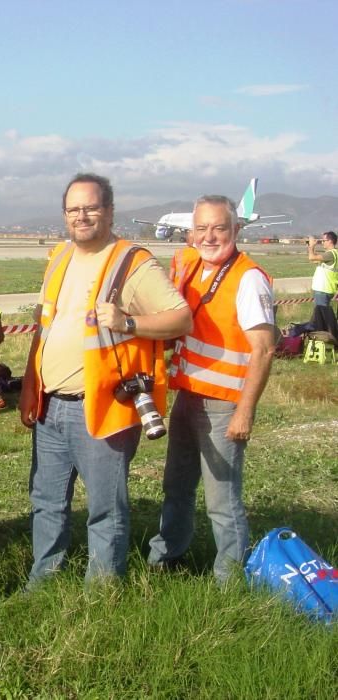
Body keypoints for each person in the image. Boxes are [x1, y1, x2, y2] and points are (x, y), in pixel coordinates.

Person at [19, 173, 191, 585]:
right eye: (74, 209)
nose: (82, 216)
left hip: (101, 404)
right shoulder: (60, 257)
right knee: (46, 501)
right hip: (51, 404)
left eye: (91, 207)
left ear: (109, 211)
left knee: (105, 507)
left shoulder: (133, 262)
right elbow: (46, 325)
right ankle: (44, 580)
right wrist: (30, 384)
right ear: (65, 215)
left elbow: (180, 317)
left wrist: (129, 322)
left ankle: (102, 593)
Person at [148, 195, 276, 583]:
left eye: (219, 228)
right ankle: (165, 560)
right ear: (191, 233)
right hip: (188, 399)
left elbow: (265, 349)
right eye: (201, 228)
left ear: (236, 230)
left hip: (224, 406)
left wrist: (244, 410)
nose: (209, 236)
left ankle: (231, 579)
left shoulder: (248, 278)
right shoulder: (191, 268)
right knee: (177, 487)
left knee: (222, 501)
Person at [307, 231, 337, 309]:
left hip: (323, 290)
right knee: (322, 315)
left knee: (321, 316)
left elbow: (311, 257)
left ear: (330, 241)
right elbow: (314, 260)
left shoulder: (330, 254)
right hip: (326, 289)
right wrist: (311, 247)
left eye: (324, 240)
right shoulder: (334, 253)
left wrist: (311, 246)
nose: (322, 242)